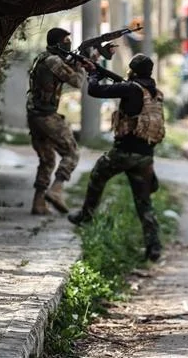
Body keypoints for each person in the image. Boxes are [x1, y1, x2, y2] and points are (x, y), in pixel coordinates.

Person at [67, 54, 166, 262]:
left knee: (97, 174)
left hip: (124, 152)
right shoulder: (154, 92)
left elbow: (94, 90)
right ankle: (154, 247)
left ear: (133, 71)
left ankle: (86, 215)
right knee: (144, 202)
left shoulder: (131, 88)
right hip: (145, 156)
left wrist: (93, 73)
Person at [26, 28, 91, 216]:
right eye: (65, 40)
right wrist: (82, 65)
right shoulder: (53, 61)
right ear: (57, 42)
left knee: (47, 159)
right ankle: (56, 190)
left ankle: (38, 204)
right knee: (72, 153)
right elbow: (77, 81)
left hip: (34, 114)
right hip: (46, 116)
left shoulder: (43, 57)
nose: (68, 43)